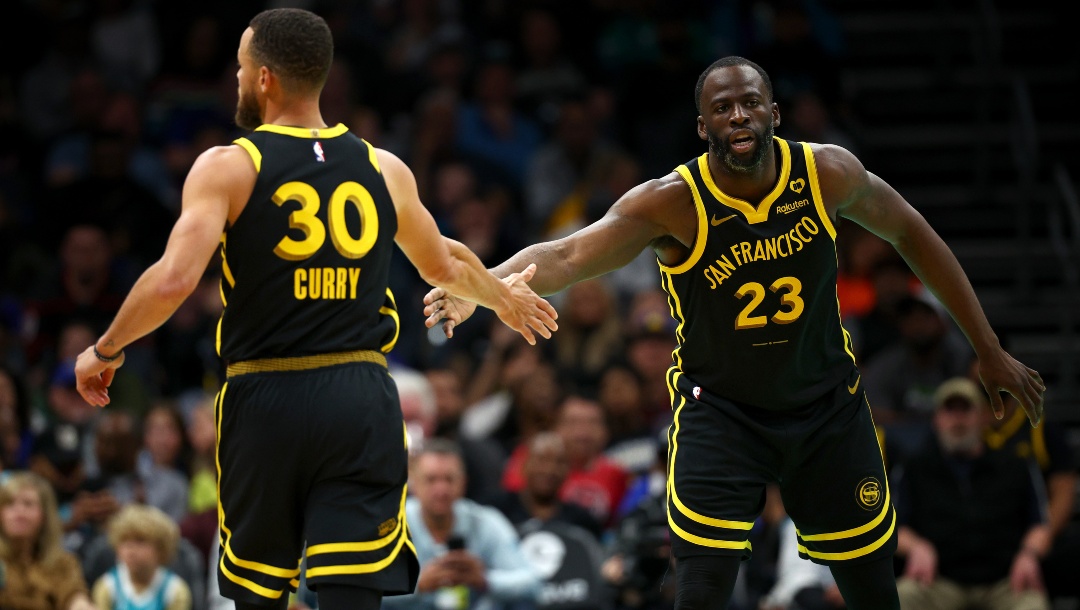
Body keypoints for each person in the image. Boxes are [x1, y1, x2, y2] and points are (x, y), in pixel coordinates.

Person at [424, 55, 1046, 610]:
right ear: (703, 127)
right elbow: (564, 256)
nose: (739, 116)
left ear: (774, 111)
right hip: (720, 415)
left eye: (750, 102)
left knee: (871, 589)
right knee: (701, 589)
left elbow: (913, 234)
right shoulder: (673, 201)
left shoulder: (825, 173)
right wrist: (478, 291)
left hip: (826, 407)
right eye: (722, 108)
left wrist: (987, 349)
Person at [72, 8, 558, 610]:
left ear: (266, 78)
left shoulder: (229, 165)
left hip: (264, 395)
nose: (238, 79)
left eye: (243, 68)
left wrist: (106, 348)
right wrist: (500, 298)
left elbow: (173, 279)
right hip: (358, 396)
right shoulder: (385, 167)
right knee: (352, 589)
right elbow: (446, 265)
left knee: (258, 591)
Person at [892, 377, 1051, 610]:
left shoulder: (1016, 465)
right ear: (936, 419)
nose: (958, 419)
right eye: (949, 410)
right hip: (938, 581)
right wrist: (916, 546)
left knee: (1034, 605)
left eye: (966, 409)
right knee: (901, 597)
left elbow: (1040, 525)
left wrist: (1028, 555)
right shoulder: (914, 468)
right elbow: (894, 527)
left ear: (984, 417)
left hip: (1005, 582)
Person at [381, 438, 541, 609]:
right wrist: (418, 586)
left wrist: (484, 580)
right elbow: (366, 591)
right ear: (414, 484)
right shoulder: (392, 523)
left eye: (449, 479)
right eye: (431, 479)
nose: (441, 490)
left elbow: (533, 584)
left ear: (463, 482)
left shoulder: (485, 521)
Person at [0, 471, 97, 610]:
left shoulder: (62, 563)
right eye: (10, 504)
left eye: (28, 504)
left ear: (45, 515)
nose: (19, 512)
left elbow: (75, 598)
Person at [90, 503, 194, 610]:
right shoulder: (106, 587)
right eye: (124, 541)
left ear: (161, 548)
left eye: (140, 541)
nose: (130, 550)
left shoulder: (175, 591)